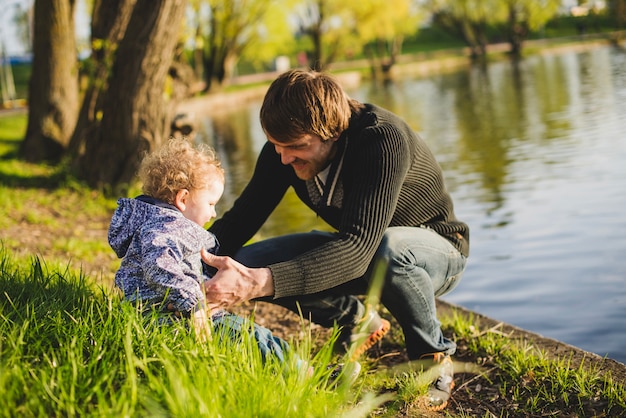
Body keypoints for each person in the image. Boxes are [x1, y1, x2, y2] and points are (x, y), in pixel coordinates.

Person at [203, 69, 469, 410]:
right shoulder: (282, 151)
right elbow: (242, 218)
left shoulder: (381, 140)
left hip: (435, 252)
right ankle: (355, 320)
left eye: (296, 147)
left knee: (386, 250)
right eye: (276, 145)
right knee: (245, 263)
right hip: (364, 250)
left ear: (332, 131)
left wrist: (260, 284)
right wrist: (185, 256)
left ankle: (432, 355)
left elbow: (359, 246)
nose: (284, 158)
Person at [108, 138, 294, 365]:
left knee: (246, 334)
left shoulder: (160, 225)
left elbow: (180, 271)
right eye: (210, 204)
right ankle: (310, 376)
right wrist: (193, 304)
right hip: (165, 318)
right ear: (183, 198)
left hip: (167, 313)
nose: (214, 213)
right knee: (252, 338)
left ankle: (304, 371)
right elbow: (160, 267)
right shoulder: (164, 230)